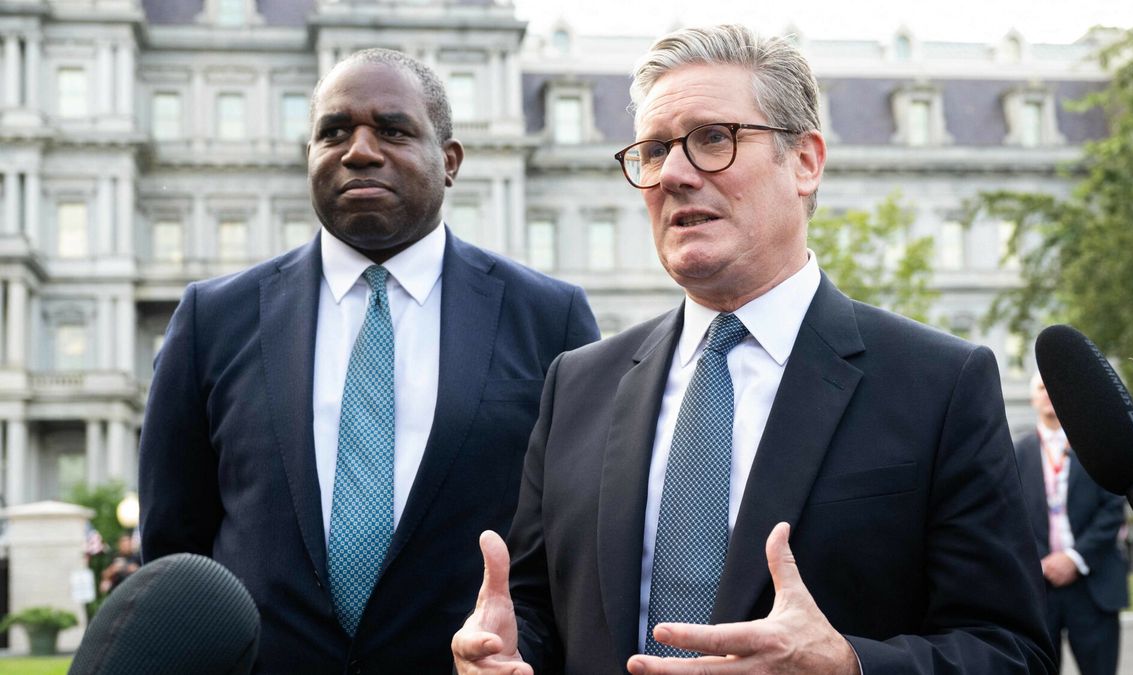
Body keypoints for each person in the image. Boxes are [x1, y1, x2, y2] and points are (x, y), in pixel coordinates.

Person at [453, 24, 1054, 675]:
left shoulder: (939, 383)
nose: (673, 174)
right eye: (653, 150)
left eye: (713, 138)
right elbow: (541, 609)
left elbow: (1012, 651)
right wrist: (505, 652)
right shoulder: (577, 384)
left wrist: (848, 665)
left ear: (805, 162)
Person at [139, 48, 599, 674]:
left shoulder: (549, 318)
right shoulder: (211, 320)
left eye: (393, 130)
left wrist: (521, 657)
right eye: (333, 132)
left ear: (450, 161)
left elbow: (571, 551)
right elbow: (175, 551)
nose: (358, 151)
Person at [1015, 371, 1128, 675]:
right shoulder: (1015, 452)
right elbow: (1008, 515)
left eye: (1054, 387)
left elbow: (1113, 509)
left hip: (1093, 585)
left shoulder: (1096, 448)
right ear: (1032, 397)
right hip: (1038, 589)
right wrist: (1040, 563)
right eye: (1042, 387)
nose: (1048, 394)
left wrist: (1074, 559)